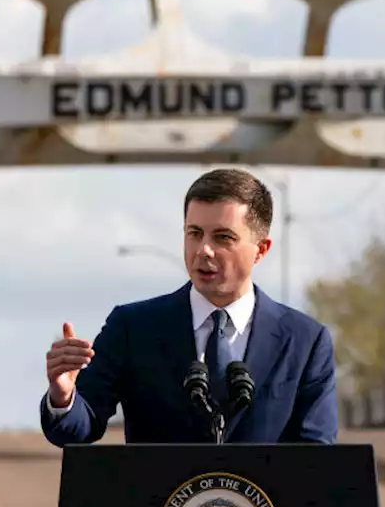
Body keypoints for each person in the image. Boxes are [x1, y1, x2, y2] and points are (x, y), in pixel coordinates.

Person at [39, 168, 338, 446]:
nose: (204, 250)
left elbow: (317, 456)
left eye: (223, 237)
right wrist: (63, 396)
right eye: (194, 233)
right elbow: (79, 425)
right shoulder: (133, 328)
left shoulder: (305, 342)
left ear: (261, 250)